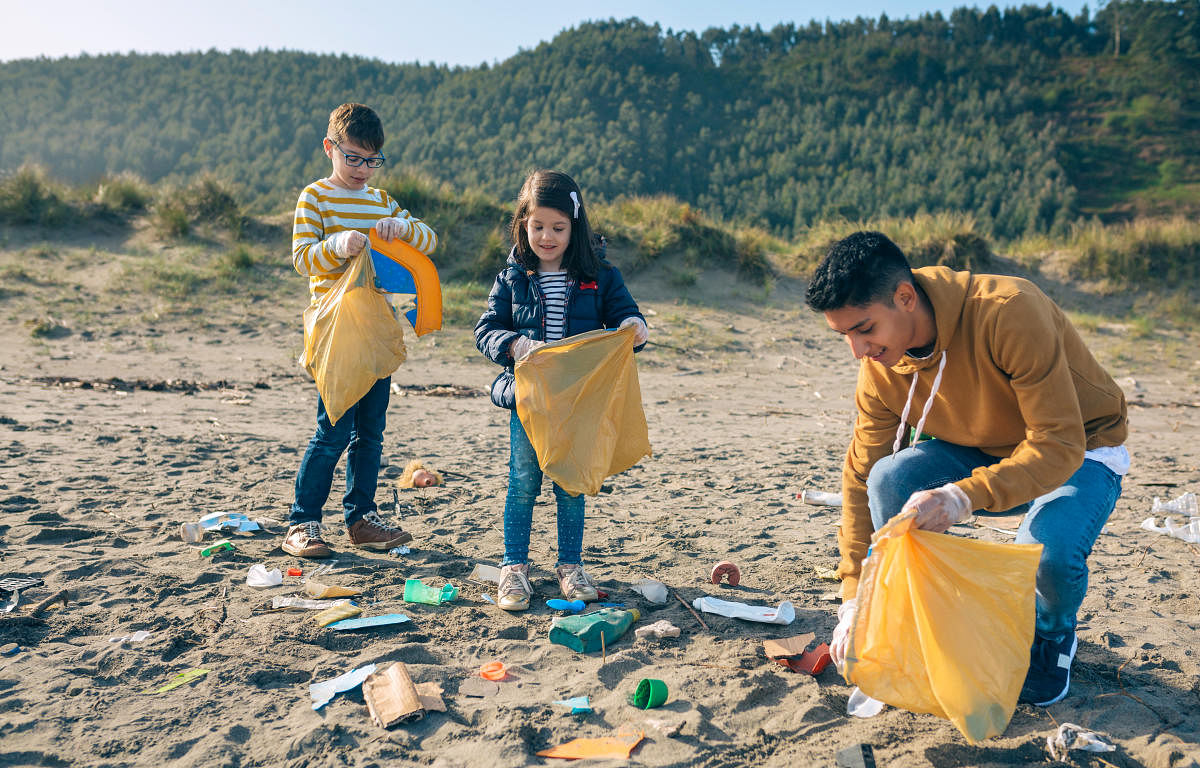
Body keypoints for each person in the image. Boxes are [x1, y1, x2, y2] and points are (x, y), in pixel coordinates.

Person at [806, 231, 1128, 706]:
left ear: (905, 297)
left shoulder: (1010, 311)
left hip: (1079, 447)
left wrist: (962, 496)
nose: (857, 350)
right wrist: (854, 598)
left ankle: (1052, 634)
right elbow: (860, 476)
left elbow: (1058, 444)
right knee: (887, 478)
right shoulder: (879, 366)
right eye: (845, 335)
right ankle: (910, 614)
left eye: (865, 329)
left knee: (1046, 556)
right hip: (975, 447)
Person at [474, 169, 649, 611]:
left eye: (558, 228)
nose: (547, 237)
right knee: (522, 483)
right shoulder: (512, 276)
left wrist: (634, 327)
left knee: (571, 485)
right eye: (538, 227)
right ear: (523, 225)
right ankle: (514, 568)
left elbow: (624, 313)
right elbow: (486, 330)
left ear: (575, 226)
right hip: (528, 400)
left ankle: (570, 566)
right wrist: (513, 343)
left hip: (579, 403)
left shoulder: (600, 275)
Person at [283, 103, 439, 558]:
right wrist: (335, 244)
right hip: (334, 328)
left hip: (378, 328)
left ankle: (362, 519)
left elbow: (429, 242)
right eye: (352, 157)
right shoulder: (314, 197)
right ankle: (302, 523)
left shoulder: (381, 200)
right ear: (330, 148)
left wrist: (403, 226)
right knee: (332, 430)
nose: (362, 169)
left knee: (370, 432)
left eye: (372, 160)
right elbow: (301, 258)